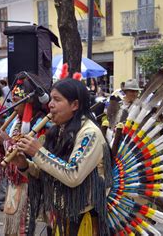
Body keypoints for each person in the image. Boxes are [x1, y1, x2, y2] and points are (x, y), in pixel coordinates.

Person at [12, 78, 112, 235]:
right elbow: (45, 173)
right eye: (51, 99)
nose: (50, 104)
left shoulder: (90, 133)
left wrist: (38, 152)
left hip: (82, 219)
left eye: (57, 99)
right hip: (60, 216)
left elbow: (73, 174)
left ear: (75, 105)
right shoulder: (57, 131)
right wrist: (24, 164)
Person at [0, 73, 49, 235]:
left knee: (27, 226)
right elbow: (10, 154)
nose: (13, 106)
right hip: (15, 183)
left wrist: (6, 139)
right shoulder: (15, 121)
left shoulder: (42, 124)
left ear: (29, 102)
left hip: (31, 184)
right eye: (13, 101)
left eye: (17, 102)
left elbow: (32, 155)